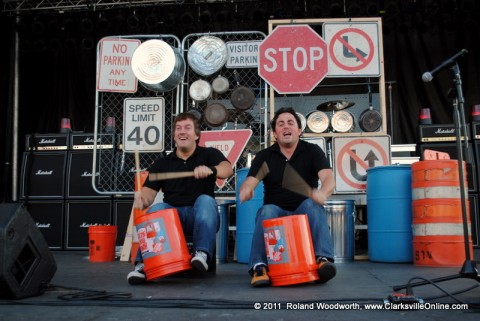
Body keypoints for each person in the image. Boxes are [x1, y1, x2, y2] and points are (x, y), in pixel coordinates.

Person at [127, 112, 233, 285]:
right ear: (174, 135)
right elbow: (149, 194)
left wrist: (212, 170)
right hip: (172, 219)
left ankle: (202, 254)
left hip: (199, 216)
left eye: (187, 128)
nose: (182, 132)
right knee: (155, 209)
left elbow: (227, 169)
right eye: (178, 128)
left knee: (206, 200)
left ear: (197, 135)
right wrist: (142, 200)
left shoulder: (209, 154)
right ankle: (142, 265)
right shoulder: (162, 163)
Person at [238, 107, 336, 287]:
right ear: (274, 133)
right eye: (280, 124)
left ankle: (323, 259)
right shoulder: (265, 156)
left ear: (299, 130)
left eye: (290, 123)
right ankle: (259, 267)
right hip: (276, 211)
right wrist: (246, 189)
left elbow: (328, 178)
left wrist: (322, 193)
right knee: (266, 211)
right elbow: (250, 182)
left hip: (303, 210)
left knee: (312, 206)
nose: (286, 127)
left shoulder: (312, 151)